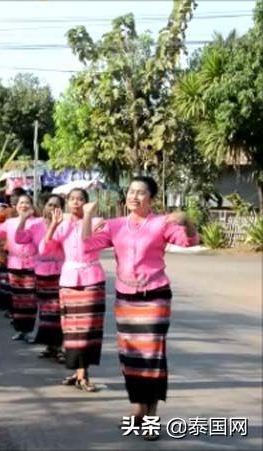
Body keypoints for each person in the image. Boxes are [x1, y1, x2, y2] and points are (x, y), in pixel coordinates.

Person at [81, 176, 199, 436]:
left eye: (141, 192)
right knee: (131, 356)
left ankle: (151, 418)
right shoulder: (114, 225)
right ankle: (138, 408)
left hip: (155, 296)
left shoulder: (160, 223)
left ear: (152, 199)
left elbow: (190, 241)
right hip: (125, 299)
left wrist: (186, 220)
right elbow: (87, 246)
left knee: (152, 357)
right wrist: (88, 216)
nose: (134, 196)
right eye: (131, 191)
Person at [40, 188, 107, 391]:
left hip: (92, 278)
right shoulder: (63, 225)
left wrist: (87, 216)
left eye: (80, 199)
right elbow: (45, 249)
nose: (76, 203)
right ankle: (77, 372)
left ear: (87, 202)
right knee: (71, 328)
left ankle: (84, 373)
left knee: (89, 329)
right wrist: (53, 224)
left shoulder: (98, 223)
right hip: (69, 279)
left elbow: (88, 245)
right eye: (72, 199)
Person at [15, 195, 66, 360]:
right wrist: (22, 219)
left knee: (58, 312)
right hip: (41, 273)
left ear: (61, 209)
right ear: (44, 207)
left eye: (56, 205)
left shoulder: (65, 225)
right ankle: (50, 346)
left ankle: (59, 347)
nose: (52, 208)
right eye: (49, 204)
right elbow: (19, 238)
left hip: (59, 272)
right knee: (46, 312)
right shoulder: (36, 225)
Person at [0, 194, 38, 341]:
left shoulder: (38, 222)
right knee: (17, 299)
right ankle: (20, 329)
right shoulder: (9, 222)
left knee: (30, 299)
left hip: (31, 265)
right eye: (21, 202)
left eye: (27, 202)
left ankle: (29, 330)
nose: (24, 205)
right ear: (16, 206)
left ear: (32, 205)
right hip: (14, 265)